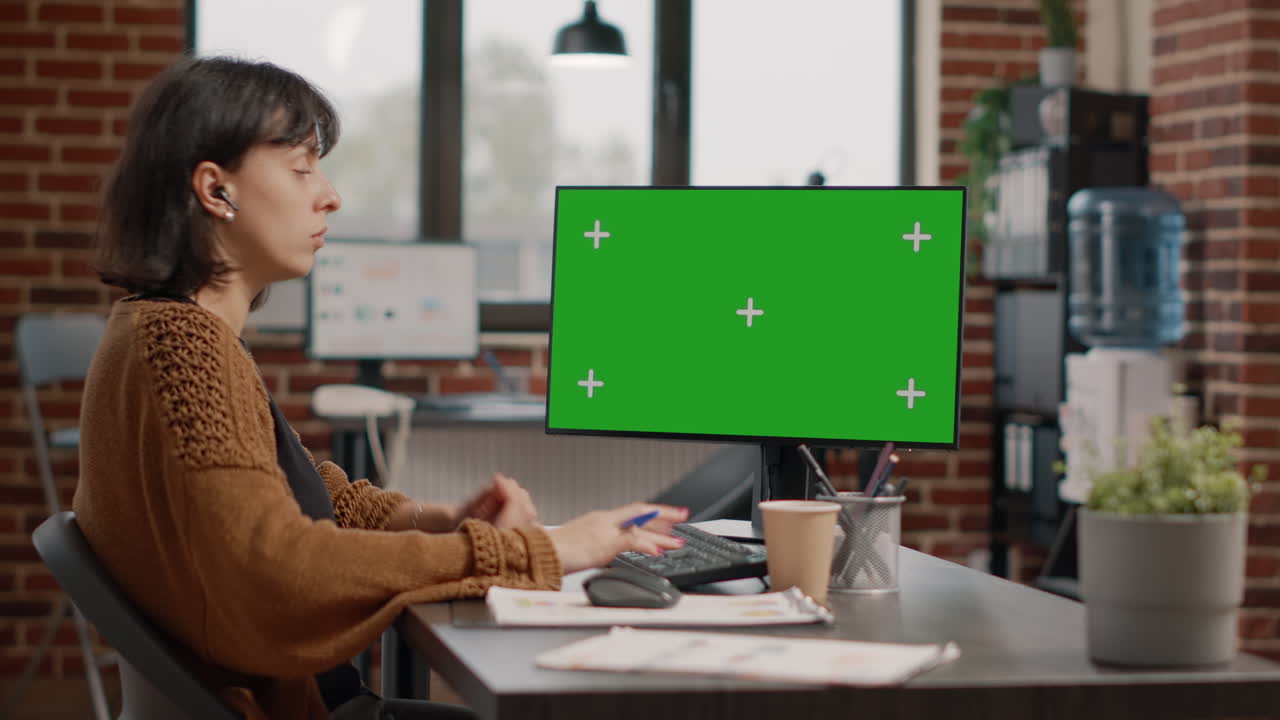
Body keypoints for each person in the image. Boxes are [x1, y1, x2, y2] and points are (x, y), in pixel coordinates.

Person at [71, 55, 687, 720]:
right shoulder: (184, 349)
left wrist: (446, 523)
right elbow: (277, 567)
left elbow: (307, 501)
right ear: (216, 191)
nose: (330, 194)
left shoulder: (159, 330)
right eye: (302, 168)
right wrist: (542, 551)